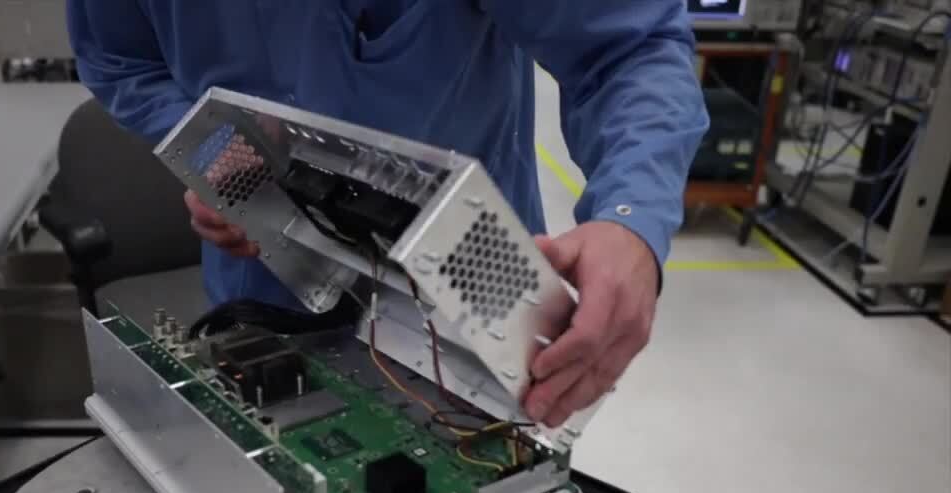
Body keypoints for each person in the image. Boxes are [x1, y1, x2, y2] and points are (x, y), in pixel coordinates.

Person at [67, 1, 708, 427]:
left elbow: (628, 49)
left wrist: (631, 219)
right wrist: (221, 159)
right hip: (262, 290)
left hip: (469, 303)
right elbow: (121, 61)